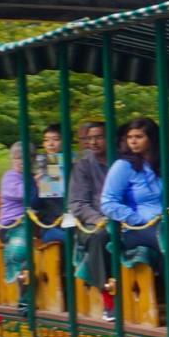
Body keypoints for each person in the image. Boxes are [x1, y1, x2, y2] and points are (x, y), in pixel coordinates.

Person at [100, 118, 169, 286]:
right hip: (138, 228)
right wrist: (137, 220)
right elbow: (107, 202)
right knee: (167, 242)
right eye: (130, 137)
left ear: (152, 138)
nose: (133, 141)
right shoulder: (123, 166)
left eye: (139, 136)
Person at [66, 120, 115, 319]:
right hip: (92, 223)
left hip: (123, 219)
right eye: (89, 138)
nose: (93, 142)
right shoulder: (83, 167)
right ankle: (108, 300)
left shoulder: (122, 162)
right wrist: (98, 219)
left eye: (99, 137)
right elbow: (78, 204)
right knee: (99, 236)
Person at [0, 142, 31, 287]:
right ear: (12, 160)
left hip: (34, 221)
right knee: (18, 251)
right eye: (18, 158)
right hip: (11, 224)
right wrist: (36, 183)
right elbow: (23, 193)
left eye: (25, 158)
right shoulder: (9, 177)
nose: (21, 162)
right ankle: (16, 273)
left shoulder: (30, 176)